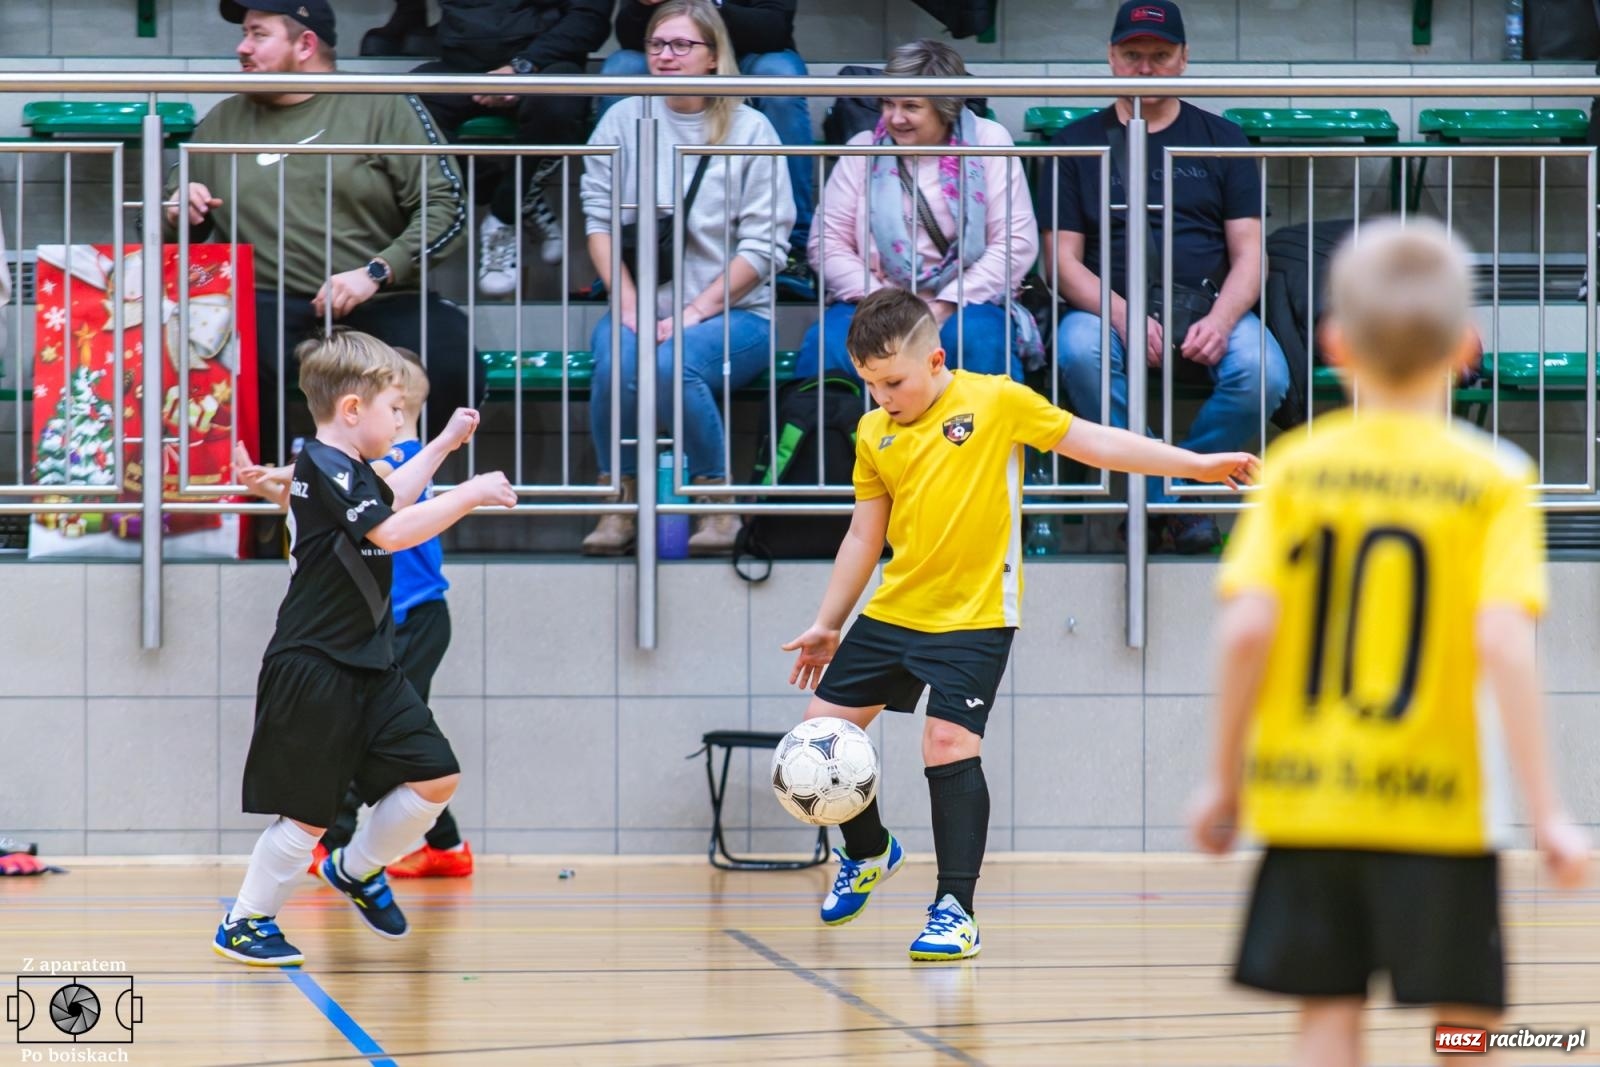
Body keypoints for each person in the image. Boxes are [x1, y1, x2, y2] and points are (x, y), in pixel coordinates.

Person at [1188, 220, 1590, 1066]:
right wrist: (1550, 810)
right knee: (1462, 1022)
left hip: (1309, 799)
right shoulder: (1495, 478)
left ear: (1334, 344)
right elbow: (1507, 646)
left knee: (1329, 1016)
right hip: (1440, 804)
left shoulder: (1295, 465)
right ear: (1468, 347)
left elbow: (1247, 629)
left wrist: (1222, 781)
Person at [781, 287, 1256, 961]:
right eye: (870, 385)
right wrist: (828, 622)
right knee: (818, 733)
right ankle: (869, 850)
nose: (883, 396)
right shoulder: (873, 432)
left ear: (937, 359)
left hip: (975, 612)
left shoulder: (997, 400)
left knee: (946, 743)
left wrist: (1196, 465)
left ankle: (954, 908)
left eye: (893, 382)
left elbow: (1097, 443)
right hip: (894, 608)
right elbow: (864, 536)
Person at [214, 329, 515, 966]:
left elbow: (393, 497)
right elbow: (394, 529)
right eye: (394, 410)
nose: (400, 423)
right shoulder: (321, 463)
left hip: (370, 661)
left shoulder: (347, 468)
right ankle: (244, 921)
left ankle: (354, 870)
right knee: (307, 816)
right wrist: (469, 493)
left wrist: (441, 446)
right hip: (315, 661)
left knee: (436, 776)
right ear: (352, 410)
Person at [167, 0, 469, 471]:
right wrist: (178, 207)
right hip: (268, 298)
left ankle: (398, 489)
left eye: (258, 34)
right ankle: (272, 499)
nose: (242, 48)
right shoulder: (224, 119)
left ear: (305, 44)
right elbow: (164, 215)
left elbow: (446, 206)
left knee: (449, 360)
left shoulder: (381, 105)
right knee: (227, 348)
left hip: (380, 294)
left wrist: (376, 271)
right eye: (245, 34)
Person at [1037, 0, 1289, 554]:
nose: (1145, 69)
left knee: (1263, 372)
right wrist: (1122, 313)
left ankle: (1167, 494)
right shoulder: (1075, 144)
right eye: (1132, 55)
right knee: (1079, 353)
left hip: (1206, 303)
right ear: (1110, 58)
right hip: (1105, 307)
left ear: (1182, 60)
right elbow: (1061, 263)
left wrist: (1222, 320)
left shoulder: (1221, 137)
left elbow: (1251, 256)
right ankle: (1178, 494)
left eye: (1159, 55)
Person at [237, 350, 474, 879]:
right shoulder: (339, 464)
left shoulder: (400, 456)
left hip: (412, 618)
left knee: (392, 742)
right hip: (366, 631)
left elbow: (380, 504)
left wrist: (466, 482)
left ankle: (363, 852)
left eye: (396, 406)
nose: (392, 417)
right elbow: (328, 510)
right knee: (380, 745)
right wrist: (275, 483)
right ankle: (405, 848)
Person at [579, 0, 795, 557]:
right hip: (641, 303)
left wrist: (693, 313)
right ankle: (619, 500)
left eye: (681, 46)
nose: (666, 56)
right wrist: (627, 305)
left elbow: (765, 246)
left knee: (671, 366)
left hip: (735, 315)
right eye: (657, 45)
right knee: (616, 363)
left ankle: (714, 501)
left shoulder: (751, 129)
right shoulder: (622, 119)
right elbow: (599, 220)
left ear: (713, 56)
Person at [796, 39, 1040, 386]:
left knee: (979, 340)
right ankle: (839, 440)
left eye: (911, 106)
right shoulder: (862, 149)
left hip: (967, 301)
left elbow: (1015, 243)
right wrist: (883, 304)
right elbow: (827, 243)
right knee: (829, 345)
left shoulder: (988, 142)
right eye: (888, 103)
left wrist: (945, 304)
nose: (895, 118)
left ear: (946, 107)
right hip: (874, 299)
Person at [604, 0, 815, 296]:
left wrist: (703, 7)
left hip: (754, 52)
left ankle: (795, 248)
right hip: (679, 48)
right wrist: (643, 7)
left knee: (781, 79)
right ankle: (622, 248)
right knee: (620, 68)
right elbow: (627, 34)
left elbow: (773, 28)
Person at [413, 0, 613, 296]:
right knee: (405, 107)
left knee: (560, 103)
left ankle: (504, 216)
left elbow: (589, 21)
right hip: (462, 65)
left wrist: (522, 67)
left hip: (546, 63)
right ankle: (517, 197)